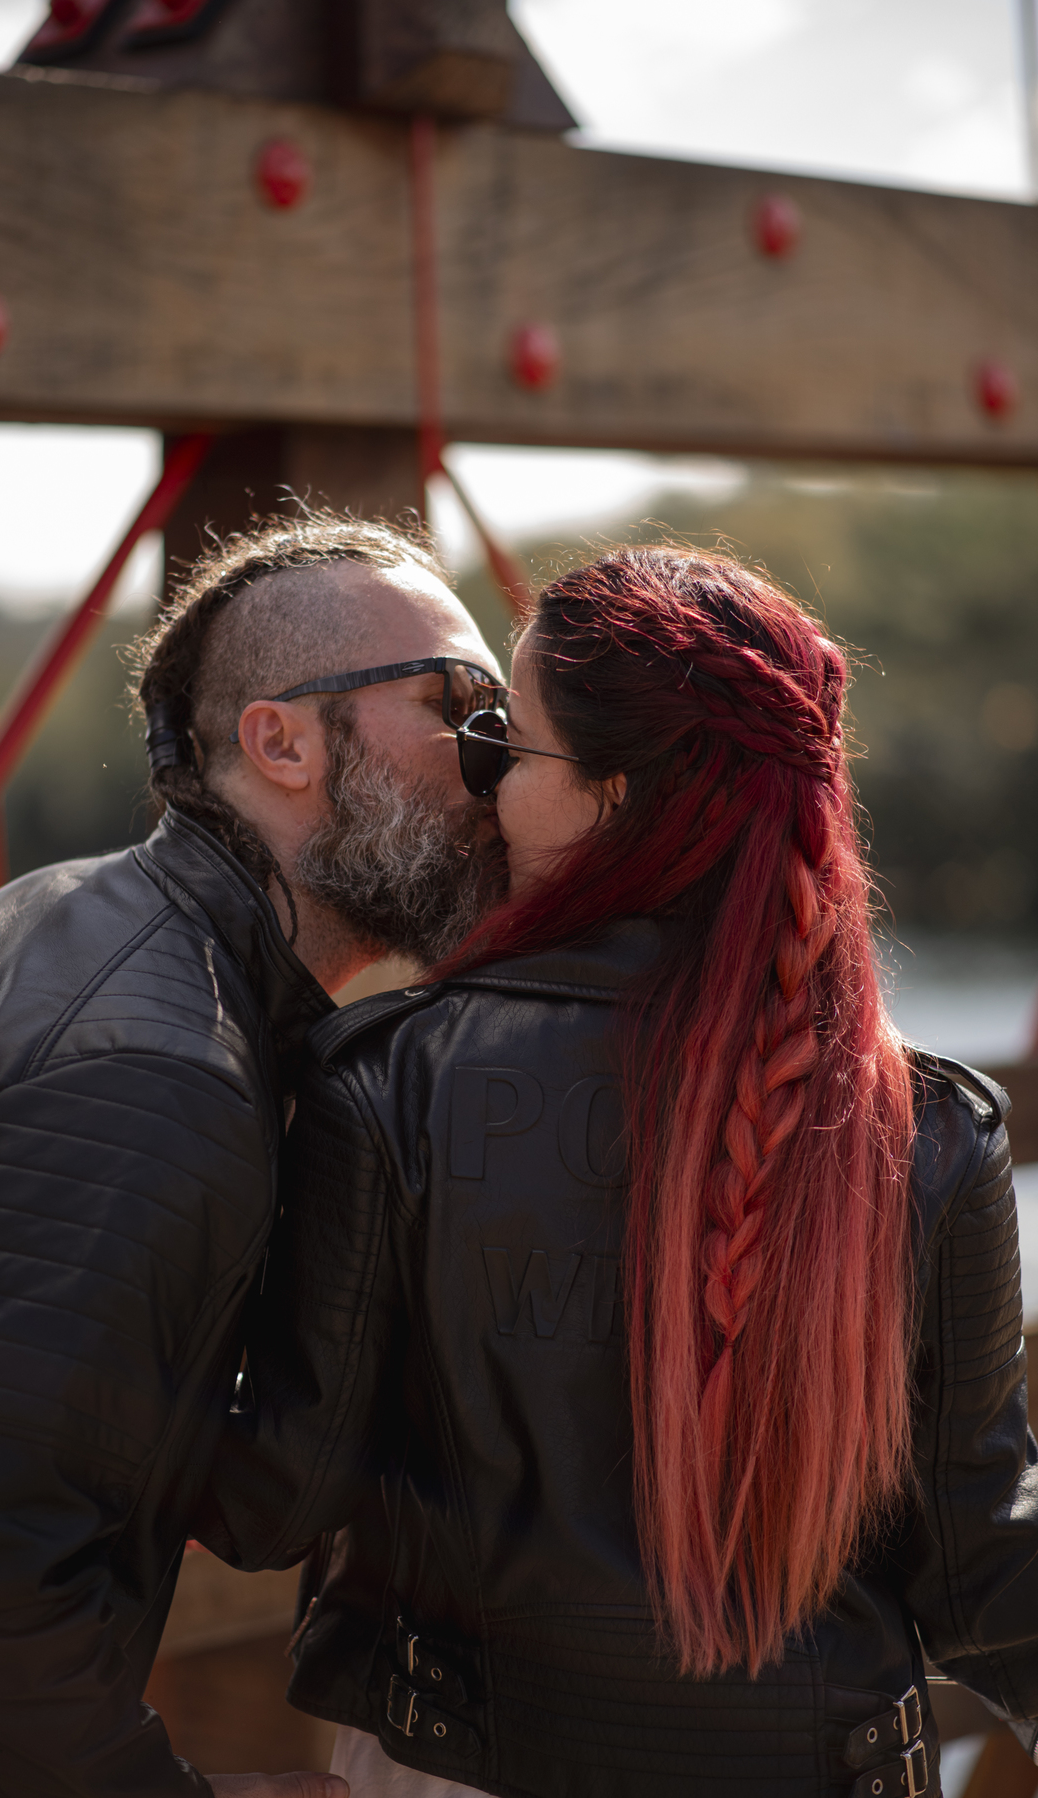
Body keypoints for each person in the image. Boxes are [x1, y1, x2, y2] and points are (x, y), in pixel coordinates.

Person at [202, 545, 1038, 1798]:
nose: (483, 783)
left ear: (611, 795)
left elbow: (273, 1502)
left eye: (507, 746)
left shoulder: (389, 1080)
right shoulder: (927, 1125)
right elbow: (980, 1574)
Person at [0, 512, 506, 1798]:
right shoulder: (151, 1073)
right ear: (282, 741)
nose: (497, 763)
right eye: (462, 704)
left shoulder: (61, 920)